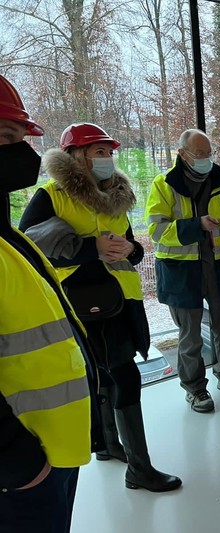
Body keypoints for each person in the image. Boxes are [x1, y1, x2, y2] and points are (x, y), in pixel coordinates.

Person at [19, 123, 181, 493]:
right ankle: (139, 469)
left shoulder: (116, 196)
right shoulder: (51, 196)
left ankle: (109, 445)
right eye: (99, 152)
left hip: (121, 300)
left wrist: (132, 249)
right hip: (81, 303)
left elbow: (129, 247)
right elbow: (33, 246)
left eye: (109, 152)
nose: (107, 158)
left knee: (110, 373)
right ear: (76, 156)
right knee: (123, 377)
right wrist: (91, 249)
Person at [0, 75, 100, 532]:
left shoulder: (8, 237)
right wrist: (20, 465)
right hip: (22, 471)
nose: (21, 152)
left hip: (51, 448)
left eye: (19, 137)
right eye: (7, 137)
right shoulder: (46, 200)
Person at [146, 129, 220, 413]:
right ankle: (195, 389)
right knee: (190, 335)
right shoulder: (164, 184)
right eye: (200, 154)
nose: (206, 159)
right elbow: (156, 230)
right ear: (182, 154)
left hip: (218, 265)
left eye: (209, 153)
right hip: (181, 270)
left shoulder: (219, 181)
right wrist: (196, 225)